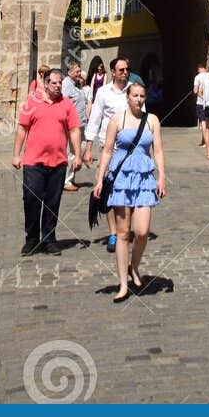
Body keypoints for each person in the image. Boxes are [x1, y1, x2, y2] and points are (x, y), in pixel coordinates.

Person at [93, 80, 165, 302]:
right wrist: (99, 178)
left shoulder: (152, 120)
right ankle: (123, 284)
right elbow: (107, 150)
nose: (139, 99)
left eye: (142, 96)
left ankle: (134, 266)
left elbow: (159, 151)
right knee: (123, 233)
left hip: (144, 179)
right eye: (135, 95)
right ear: (128, 97)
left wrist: (161, 176)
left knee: (142, 231)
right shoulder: (118, 119)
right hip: (122, 177)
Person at [12, 67, 82, 255]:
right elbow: (22, 129)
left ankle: (49, 239)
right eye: (54, 82)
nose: (58, 86)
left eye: (60, 82)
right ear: (46, 83)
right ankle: (32, 239)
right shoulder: (32, 102)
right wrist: (16, 155)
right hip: (33, 162)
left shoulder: (67, 104)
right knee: (31, 199)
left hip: (58, 162)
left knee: (52, 203)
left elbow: (75, 130)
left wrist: (77, 155)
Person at [83, 56, 131, 253]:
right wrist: (88, 147)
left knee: (128, 190)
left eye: (127, 69)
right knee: (108, 191)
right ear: (113, 72)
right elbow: (94, 119)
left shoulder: (134, 91)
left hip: (130, 149)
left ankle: (125, 229)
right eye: (121, 70)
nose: (124, 73)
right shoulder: (103, 93)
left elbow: (143, 118)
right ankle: (113, 233)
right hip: (107, 148)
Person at [61, 61, 90, 189]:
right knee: (72, 153)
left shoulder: (76, 84)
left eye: (79, 71)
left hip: (81, 124)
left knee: (78, 150)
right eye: (77, 71)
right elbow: (63, 103)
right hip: (72, 125)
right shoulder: (66, 85)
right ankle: (66, 181)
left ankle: (71, 178)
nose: (79, 73)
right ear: (69, 72)